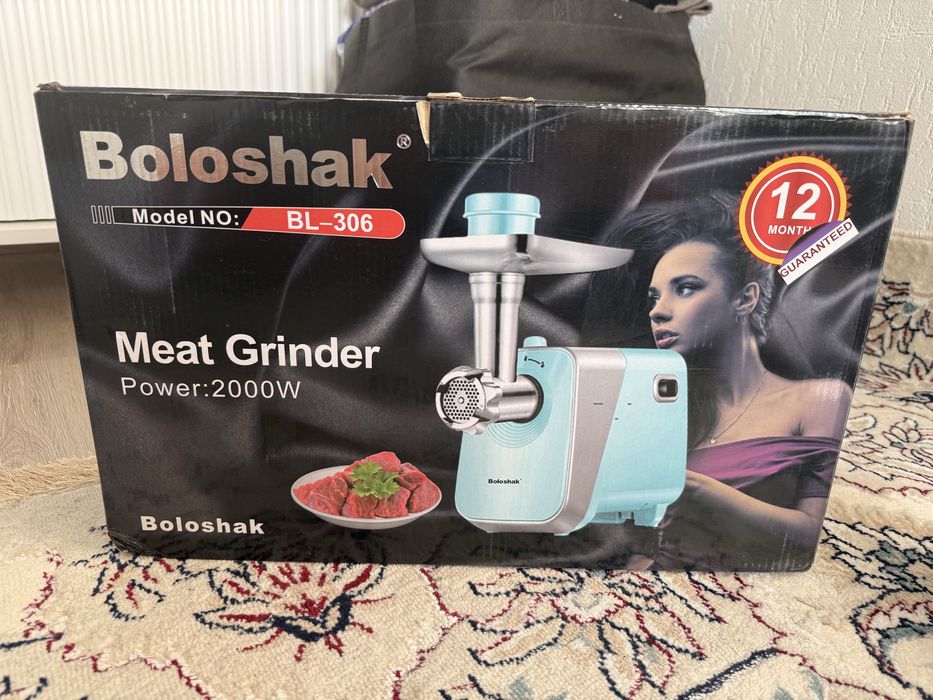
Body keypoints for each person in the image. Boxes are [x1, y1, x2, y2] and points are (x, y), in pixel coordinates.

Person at [618, 194, 852, 570]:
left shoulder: (819, 400)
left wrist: (698, 489)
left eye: (685, 288)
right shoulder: (661, 408)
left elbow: (809, 534)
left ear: (745, 299)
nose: (657, 311)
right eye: (654, 297)